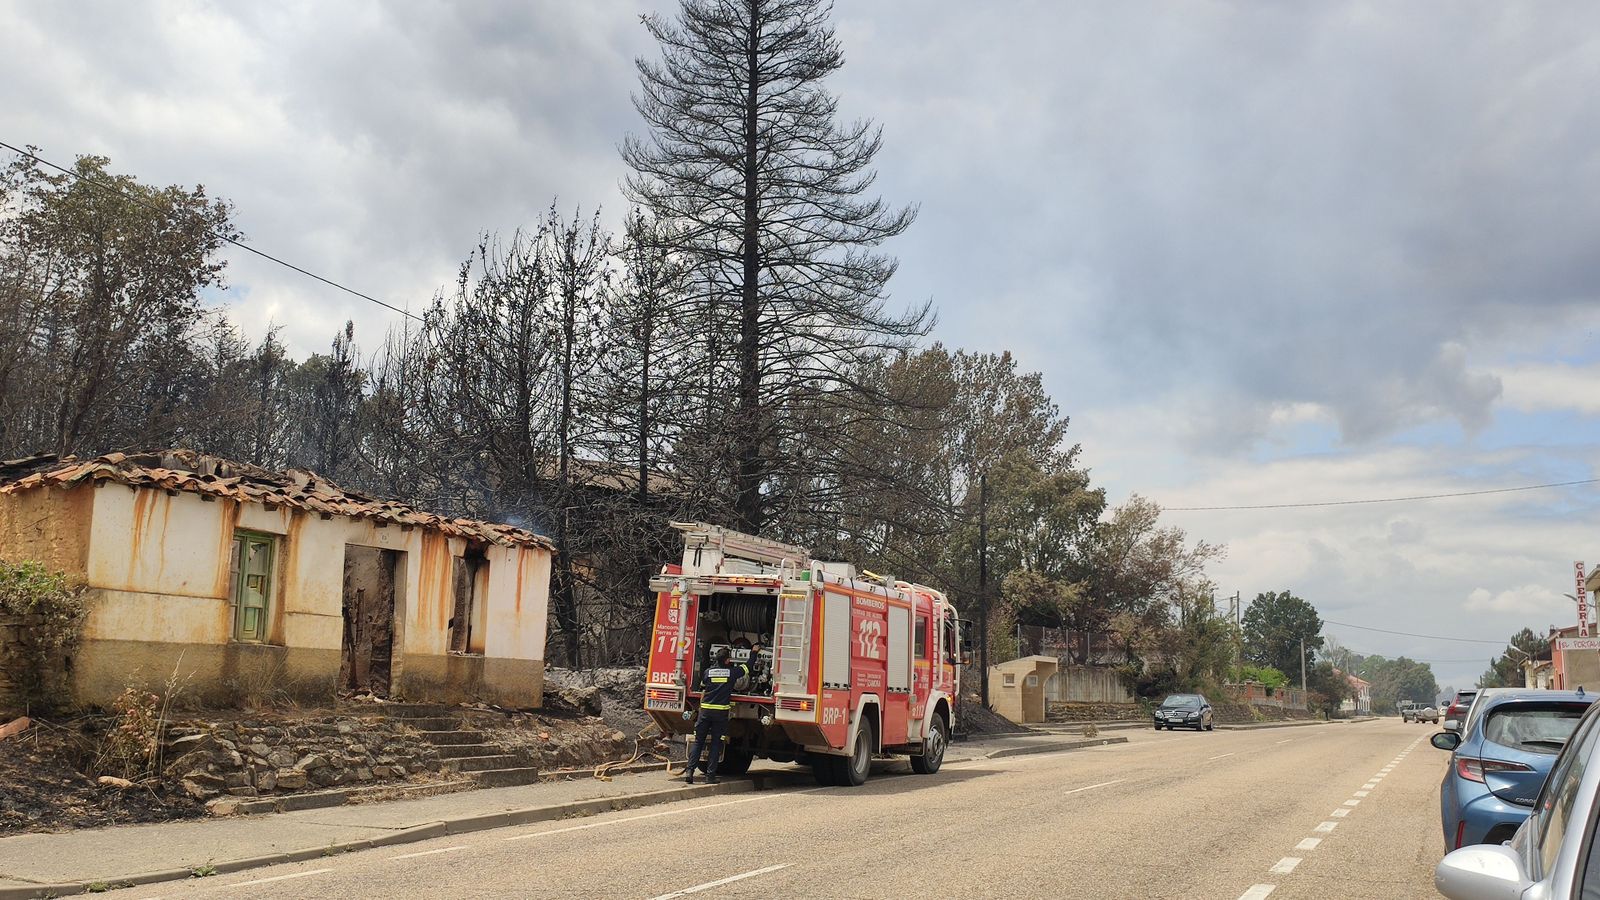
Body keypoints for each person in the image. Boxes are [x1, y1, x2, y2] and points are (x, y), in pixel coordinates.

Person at [684, 645, 758, 784]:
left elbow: (703, 686)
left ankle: (689, 772)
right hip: (720, 714)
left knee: (699, 742)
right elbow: (747, 667)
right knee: (716, 744)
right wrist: (754, 652)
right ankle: (710, 777)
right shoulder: (732, 672)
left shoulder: (708, 672)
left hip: (704, 712)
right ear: (727, 660)